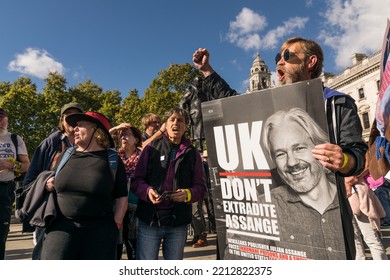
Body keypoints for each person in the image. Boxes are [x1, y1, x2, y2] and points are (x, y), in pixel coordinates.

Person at [193, 37, 367, 259]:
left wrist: (344, 160)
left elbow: (358, 155)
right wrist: (208, 71)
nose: (280, 63)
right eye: (278, 58)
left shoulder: (336, 103)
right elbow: (234, 104)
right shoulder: (269, 106)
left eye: (287, 56)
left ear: (311, 61)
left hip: (330, 227)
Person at [40, 112, 128, 260]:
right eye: (75, 125)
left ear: (96, 130)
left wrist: (115, 226)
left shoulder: (112, 160)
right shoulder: (65, 155)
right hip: (60, 228)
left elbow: (122, 197)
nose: (75, 128)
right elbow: (52, 180)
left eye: (80, 125)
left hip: (100, 232)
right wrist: (48, 183)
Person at [261, 108, 343, 259]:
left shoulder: (350, 195)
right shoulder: (264, 206)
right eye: (280, 154)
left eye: (299, 148)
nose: (291, 162)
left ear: (321, 147)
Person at [131, 107, 206, 260]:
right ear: (165, 124)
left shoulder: (193, 153)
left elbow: (201, 187)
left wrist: (187, 194)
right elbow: (136, 180)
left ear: (186, 126)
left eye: (180, 121)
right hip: (150, 221)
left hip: (178, 223)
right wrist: (147, 191)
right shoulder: (151, 148)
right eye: (172, 119)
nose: (176, 123)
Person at [23, 102, 83, 260]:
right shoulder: (51, 143)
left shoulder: (91, 143)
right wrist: (46, 183)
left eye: (76, 116)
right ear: (62, 121)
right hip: (52, 214)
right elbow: (29, 181)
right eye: (68, 116)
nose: (72, 119)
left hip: (80, 214)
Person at [109, 123, 143, 260]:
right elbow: (101, 139)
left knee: (133, 243)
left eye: (128, 134)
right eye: (121, 135)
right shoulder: (114, 155)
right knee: (117, 242)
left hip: (136, 205)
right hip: (117, 204)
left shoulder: (144, 156)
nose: (123, 137)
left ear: (136, 140)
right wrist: (116, 128)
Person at [0, 108, 30, 259]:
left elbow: (27, 165)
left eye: (2, 118)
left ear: (7, 120)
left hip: (4, 190)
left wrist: (9, 165)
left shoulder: (15, 139)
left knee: (0, 235)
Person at [345, 175, 388, 260]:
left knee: (370, 238)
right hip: (346, 198)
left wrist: (348, 180)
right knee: (355, 238)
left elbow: (365, 166)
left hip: (359, 196)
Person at [179, 76, 204, 151]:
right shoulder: (190, 90)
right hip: (195, 114)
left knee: (204, 132)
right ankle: (198, 150)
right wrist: (184, 116)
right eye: (198, 81)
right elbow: (182, 102)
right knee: (197, 133)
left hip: (204, 113)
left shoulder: (203, 90)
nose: (199, 83)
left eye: (200, 81)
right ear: (194, 82)